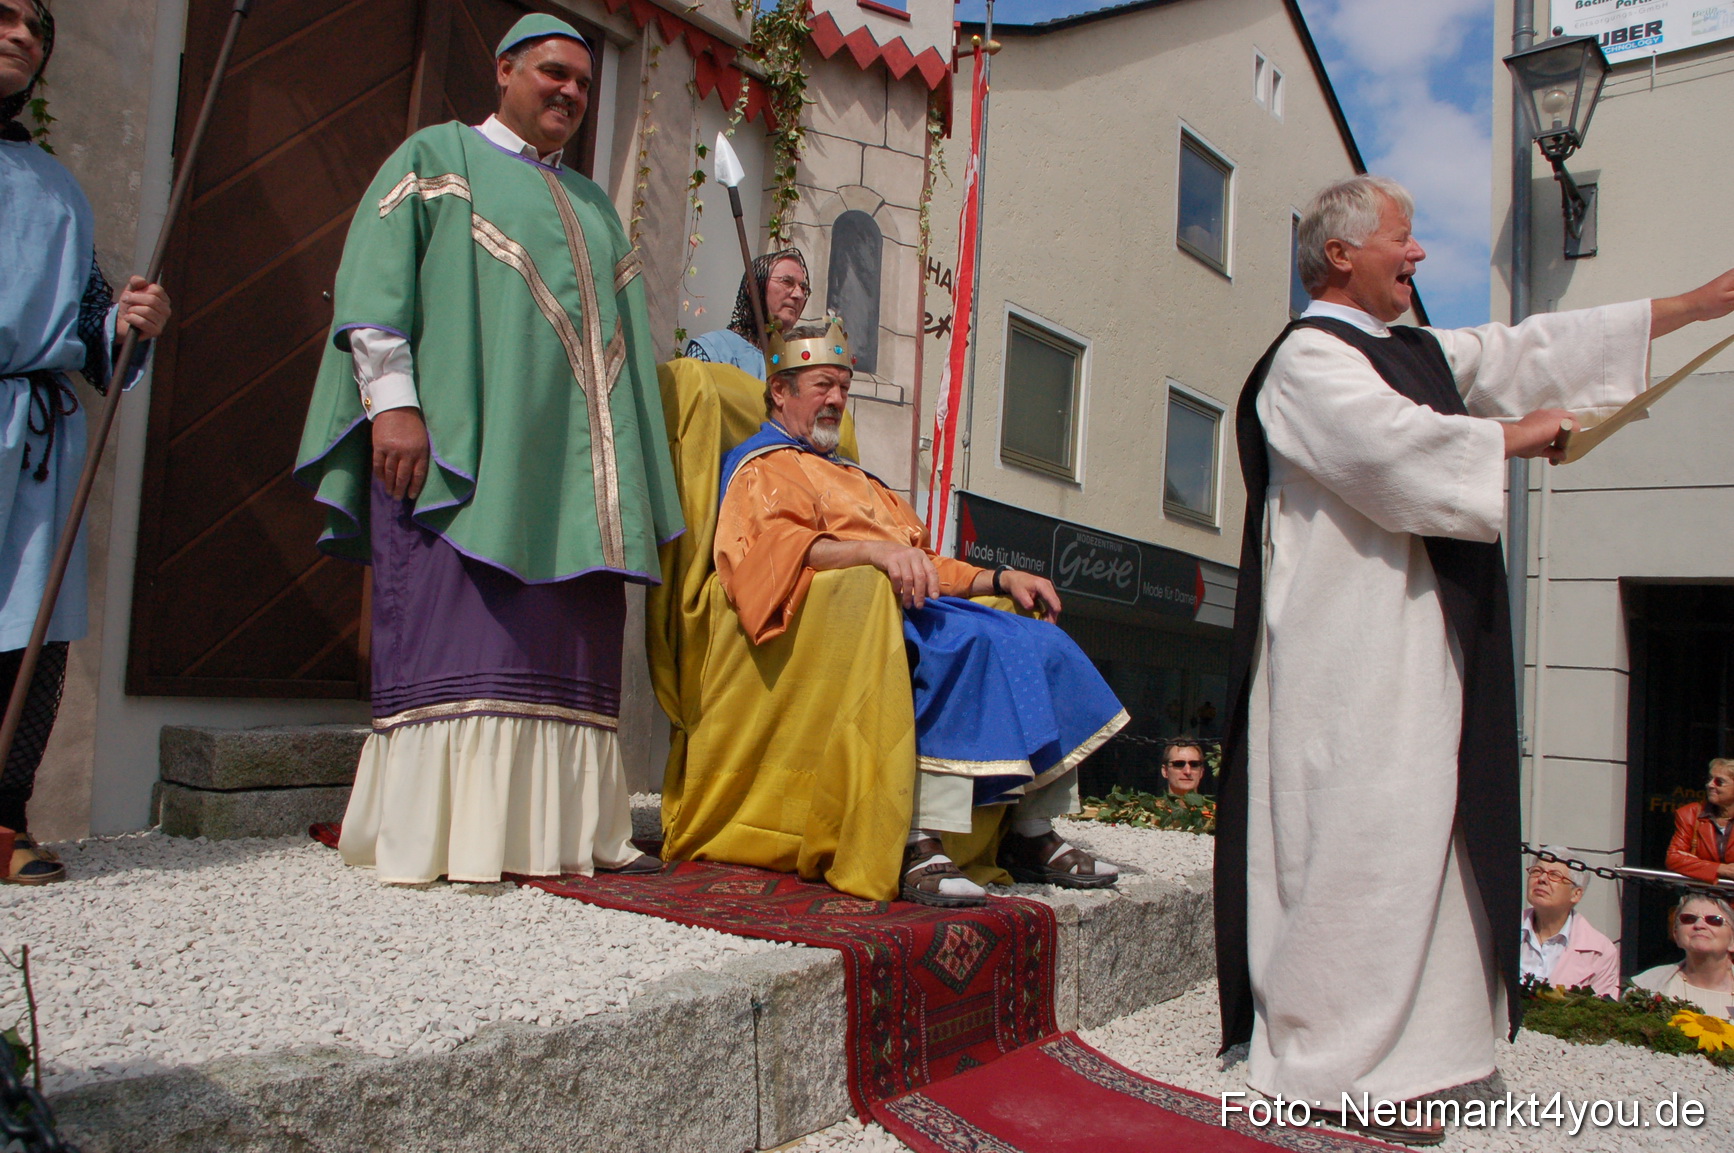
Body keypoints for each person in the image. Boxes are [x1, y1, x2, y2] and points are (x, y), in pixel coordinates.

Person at [1214, 172, 1734, 1142]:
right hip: (1344, 651)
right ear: (1341, 253)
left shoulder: (1411, 351)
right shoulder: (1308, 360)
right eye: (1401, 237)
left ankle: (1421, 1054)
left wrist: (1699, 304)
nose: (1418, 252)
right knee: (1357, 841)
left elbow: (1530, 349)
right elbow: (1389, 450)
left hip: (1420, 641)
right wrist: (1513, 436)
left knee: (1426, 831)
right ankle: (1328, 1064)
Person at [295, 14, 681, 885]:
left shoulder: (594, 206)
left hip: (570, 481)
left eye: (584, 83)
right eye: (554, 72)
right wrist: (394, 405)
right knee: (461, 635)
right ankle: (450, 837)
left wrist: (631, 483)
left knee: (568, 646)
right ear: (504, 70)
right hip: (461, 463)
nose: (571, 92)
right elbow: (375, 285)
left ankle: (563, 836)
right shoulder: (438, 158)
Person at [714, 320, 1127, 906]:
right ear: (780, 391)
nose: (836, 400)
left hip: (907, 605)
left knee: (1038, 640)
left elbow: (924, 560)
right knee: (966, 646)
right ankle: (914, 839)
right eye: (822, 385)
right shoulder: (762, 468)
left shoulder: (860, 478)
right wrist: (873, 554)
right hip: (844, 619)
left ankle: (1030, 830)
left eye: (843, 387)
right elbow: (767, 554)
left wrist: (999, 577)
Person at [1, 0, 168, 884]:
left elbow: (94, 331)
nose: (24, 35)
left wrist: (131, 322)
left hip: (29, 444)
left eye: (39, 28)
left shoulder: (56, 187)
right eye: (5, 17)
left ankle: (3, 818)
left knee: (27, 634)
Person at [682, 249, 810, 378]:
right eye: (786, 282)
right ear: (753, 288)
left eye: (803, 288)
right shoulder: (714, 350)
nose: (798, 295)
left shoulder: (799, 362)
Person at [1519, 849, 1619, 998]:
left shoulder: (1600, 951)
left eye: (1554, 875)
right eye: (1536, 871)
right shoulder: (1503, 930)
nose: (1542, 879)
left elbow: (1603, 1009)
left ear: (1576, 894)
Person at [1632, 895, 1734, 1019]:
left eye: (1714, 920)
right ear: (1676, 935)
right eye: (1688, 919)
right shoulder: (1646, 986)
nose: (1699, 925)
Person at [1666, 758, 1734, 883]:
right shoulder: (1691, 814)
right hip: (1703, 892)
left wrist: (1695, 863)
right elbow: (1673, 859)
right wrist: (1720, 869)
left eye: (1719, 781)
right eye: (1709, 779)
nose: (1710, 785)